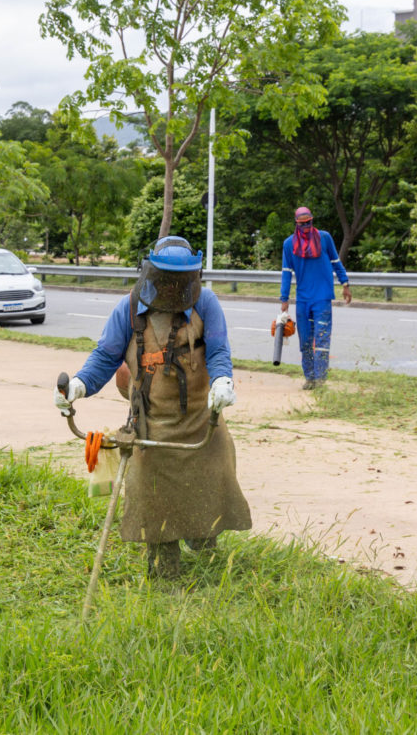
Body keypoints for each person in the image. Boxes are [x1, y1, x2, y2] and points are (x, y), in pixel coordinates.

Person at [55, 236, 251, 579]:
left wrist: (223, 381)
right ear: (151, 274)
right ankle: (164, 575)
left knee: (210, 493)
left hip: (200, 423)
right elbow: (105, 356)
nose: (174, 288)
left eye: (182, 281)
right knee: (155, 503)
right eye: (167, 279)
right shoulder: (129, 308)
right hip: (149, 426)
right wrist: (79, 385)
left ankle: (210, 566)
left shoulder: (206, 304)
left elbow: (219, 351)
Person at [279, 206, 351, 390]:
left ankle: (321, 379)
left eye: (308, 223)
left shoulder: (324, 238)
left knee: (322, 339)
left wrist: (345, 284)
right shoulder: (289, 244)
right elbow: (286, 272)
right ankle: (310, 378)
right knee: (305, 341)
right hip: (303, 299)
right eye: (302, 224)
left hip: (322, 298)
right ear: (296, 223)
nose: (306, 227)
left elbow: (336, 262)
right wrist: (284, 298)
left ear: (312, 220)